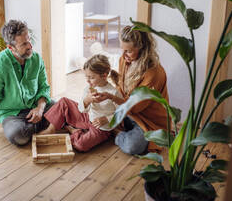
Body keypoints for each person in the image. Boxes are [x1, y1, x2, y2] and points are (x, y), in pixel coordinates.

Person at [0, 20, 53, 146]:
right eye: (24, 44)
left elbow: (43, 87)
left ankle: (45, 123)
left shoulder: (36, 58)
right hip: (13, 114)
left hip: (36, 106)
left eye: (29, 40)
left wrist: (40, 108)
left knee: (63, 105)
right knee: (17, 135)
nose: (30, 46)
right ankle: (51, 123)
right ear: (10, 47)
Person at [105, 26, 169, 155]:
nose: (123, 55)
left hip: (147, 120)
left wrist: (112, 99)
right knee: (96, 112)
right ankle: (116, 128)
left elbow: (135, 107)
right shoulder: (124, 59)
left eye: (128, 51)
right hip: (127, 111)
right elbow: (121, 88)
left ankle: (116, 133)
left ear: (142, 48)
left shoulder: (154, 72)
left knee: (132, 147)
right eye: (122, 49)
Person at [39, 54, 123, 152]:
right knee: (63, 102)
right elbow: (81, 109)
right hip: (88, 117)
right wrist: (86, 101)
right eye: (86, 77)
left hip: (101, 127)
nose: (87, 80)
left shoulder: (114, 93)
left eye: (91, 77)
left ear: (104, 75)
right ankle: (51, 129)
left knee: (80, 145)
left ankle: (74, 130)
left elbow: (122, 113)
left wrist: (107, 119)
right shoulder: (89, 88)